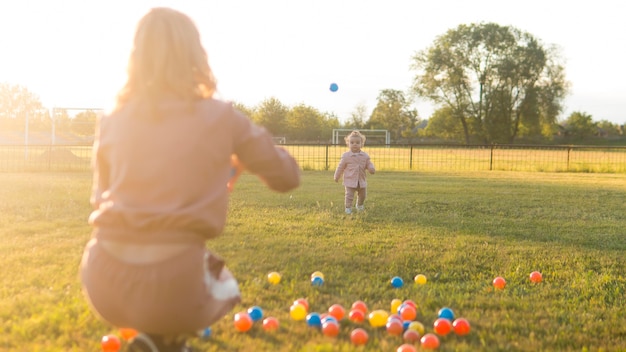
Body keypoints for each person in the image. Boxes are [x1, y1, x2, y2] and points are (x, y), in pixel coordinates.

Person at [79, 7, 300, 352]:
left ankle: (156, 343)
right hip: (174, 283)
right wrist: (239, 152)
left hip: (102, 279)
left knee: (168, 297)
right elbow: (287, 177)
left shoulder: (112, 119)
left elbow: (100, 195)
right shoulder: (221, 116)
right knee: (223, 282)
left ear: (136, 57)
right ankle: (164, 338)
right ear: (195, 55)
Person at [333, 131, 375, 214]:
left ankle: (359, 205)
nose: (354, 144)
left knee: (363, 195)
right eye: (352, 142)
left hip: (361, 181)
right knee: (349, 195)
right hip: (350, 180)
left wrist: (371, 168)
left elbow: (368, 163)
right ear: (348, 144)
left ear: (361, 144)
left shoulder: (365, 156)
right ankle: (348, 208)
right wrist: (337, 176)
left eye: (357, 142)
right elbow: (340, 167)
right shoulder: (346, 156)